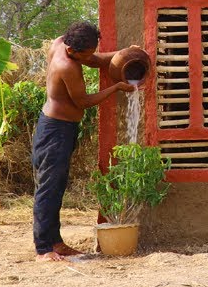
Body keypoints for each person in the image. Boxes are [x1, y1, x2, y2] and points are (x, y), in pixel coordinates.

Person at [33, 21, 134, 262]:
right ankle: (43, 249)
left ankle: (56, 242)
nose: (90, 56)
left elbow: (94, 59)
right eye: (86, 52)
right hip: (55, 131)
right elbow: (83, 102)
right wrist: (116, 87)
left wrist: (123, 54)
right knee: (48, 187)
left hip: (60, 128)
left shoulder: (62, 43)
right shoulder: (66, 66)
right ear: (72, 51)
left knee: (56, 186)